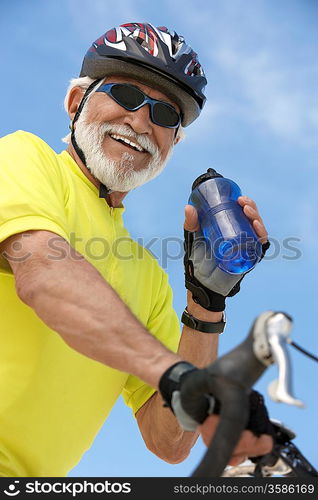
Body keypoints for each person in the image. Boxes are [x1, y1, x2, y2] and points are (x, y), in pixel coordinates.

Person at [0, 22, 272, 477]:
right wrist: (172, 371)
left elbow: (170, 440)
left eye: (167, 116)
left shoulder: (145, 276)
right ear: (75, 103)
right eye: (125, 96)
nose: (142, 120)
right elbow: (44, 273)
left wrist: (206, 304)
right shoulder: (25, 159)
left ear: (172, 144)